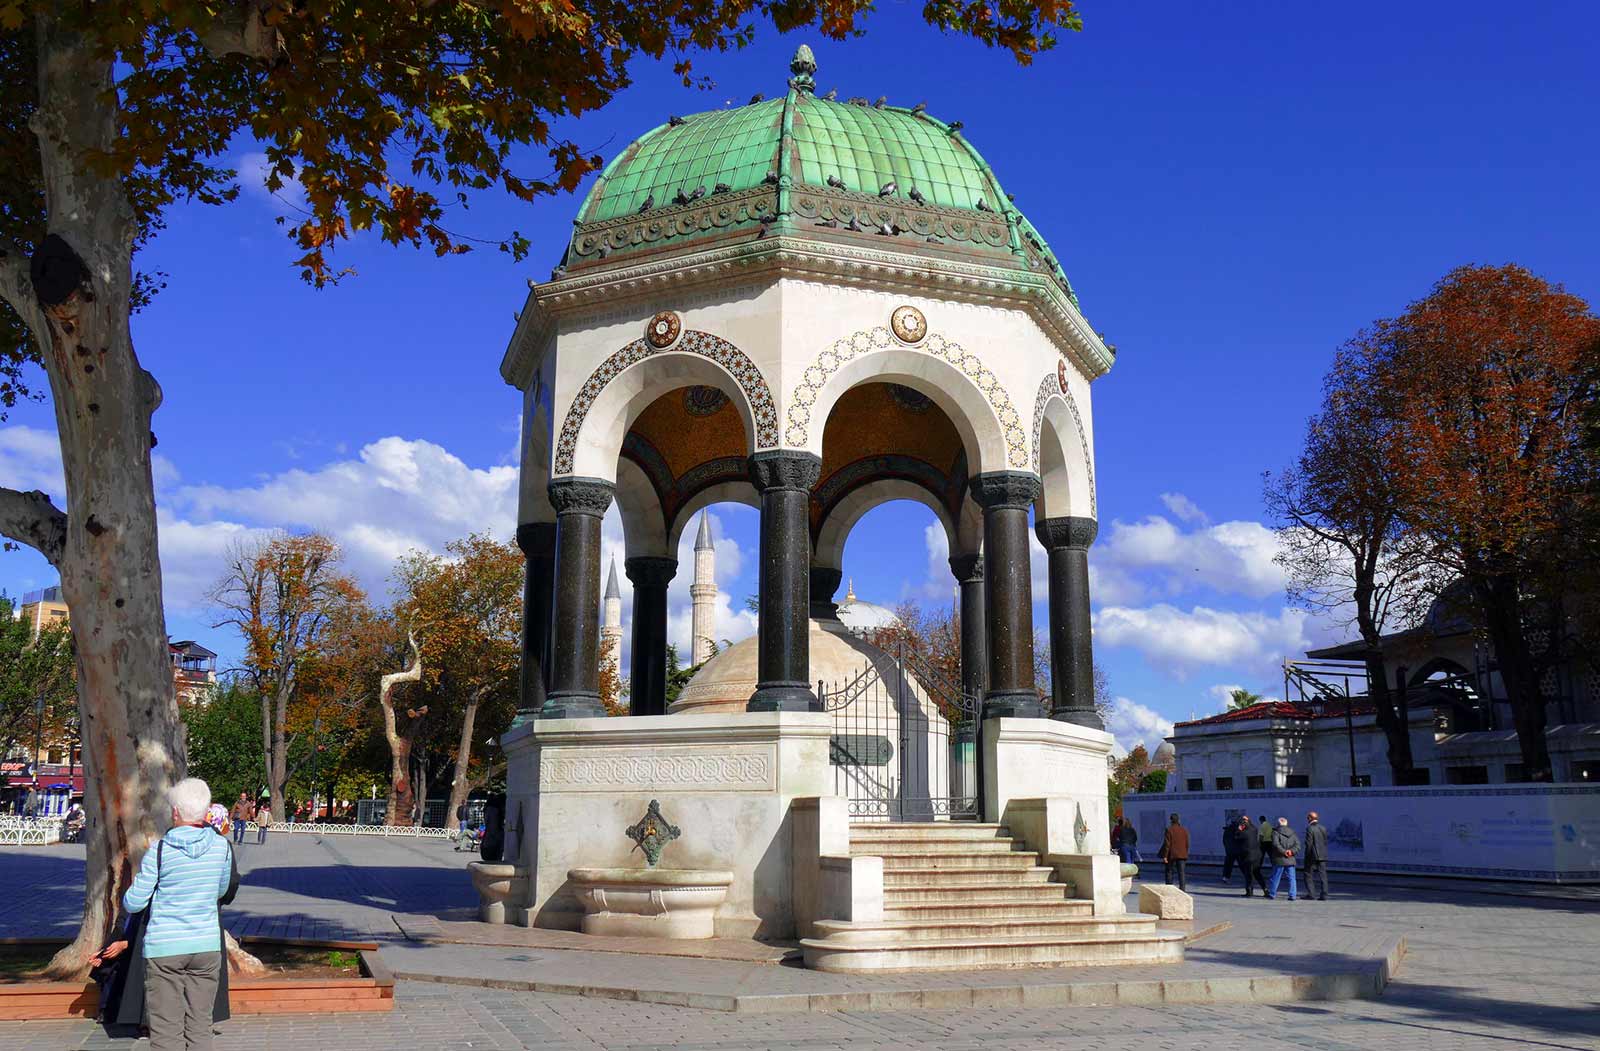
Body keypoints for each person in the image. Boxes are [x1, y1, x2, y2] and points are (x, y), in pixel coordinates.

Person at [112, 778, 235, 1050]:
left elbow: (134, 902)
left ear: (176, 812)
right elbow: (221, 889)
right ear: (205, 812)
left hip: (165, 948)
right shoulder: (222, 848)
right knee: (201, 1024)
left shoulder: (160, 849)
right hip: (206, 946)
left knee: (166, 1028)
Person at [1266, 816, 1301, 901]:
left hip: (1279, 858)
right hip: (1290, 859)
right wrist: (1291, 852)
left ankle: (1272, 893)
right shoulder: (1293, 833)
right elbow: (1298, 845)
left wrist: (1284, 852)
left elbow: (1275, 844)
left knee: (1275, 877)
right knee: (1292, 878)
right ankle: (1292, 895)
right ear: (1286, 824)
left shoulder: (1275, 832)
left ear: (1278, 824)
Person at [1233, 816, 1266, 897]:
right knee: (1257, 874)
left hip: (1248, 857)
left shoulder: (1243, 833)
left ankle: (1249, 892)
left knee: (1249, 875)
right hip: (1257, 856)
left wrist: (1238, 829)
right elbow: (1251, 826)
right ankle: (1265, 890)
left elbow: (1236, 837)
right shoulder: (1254, 829)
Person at [1158, 813, 1189, 891]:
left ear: (1171, 820)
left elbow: (1167, 844)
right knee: (1181, 873)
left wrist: (1165, 856)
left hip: (1171, 855)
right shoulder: (1184, 830)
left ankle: (1169, 889)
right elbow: (1187, 843)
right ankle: (1182, 889)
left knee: (1169, 872)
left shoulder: (1169, 830)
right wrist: (1185, 852)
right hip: (1182, 854)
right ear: (1178, 820)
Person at [1303, 811, 1330, 900]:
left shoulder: (1310, 828)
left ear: (1310, 818)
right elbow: (1325, 841)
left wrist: (1306, 856)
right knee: (1323, 875)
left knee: (1308, 874)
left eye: (1308, 818)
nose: (1307, 819)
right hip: (1322, 855)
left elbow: (1309, 844)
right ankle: (1324, 894)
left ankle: (1311, 894)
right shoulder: (1323, 828)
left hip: (1312, 856)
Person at [1220, 818, 1239, 883]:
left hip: (1229, 851)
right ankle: (1248, 877)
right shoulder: (1237, 831)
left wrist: (1227, 848)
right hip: (1236, 850)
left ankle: (1225, 877)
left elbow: (1224, 841)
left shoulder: (1227, 830)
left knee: (1228, 865)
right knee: (1243, 865)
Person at [1256, 814, 1272, 881]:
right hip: (1270, 842)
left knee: (1261, 856)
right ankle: (1274, 867)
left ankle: (1258, 869)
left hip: (1264, 843)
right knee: (1271, 856)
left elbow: (1261, 836)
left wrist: (1259, 843)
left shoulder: (1262, 826)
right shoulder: (1269, 825)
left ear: (1261, 820)